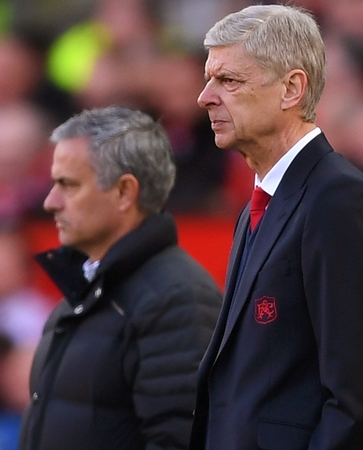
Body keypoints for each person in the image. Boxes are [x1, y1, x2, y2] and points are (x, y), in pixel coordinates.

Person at [189, 5, 363, 449]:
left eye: (228, 80)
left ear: (291, 88)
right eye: (209, 79)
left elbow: (357, 400)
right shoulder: (257, 206)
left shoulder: (338, 199)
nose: (205, 97)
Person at [18, 106, 222, 450]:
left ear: (125, 192)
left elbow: (180, 440)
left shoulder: (177, 299)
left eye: (68, 185)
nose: (51, 202)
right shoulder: (82, 295)